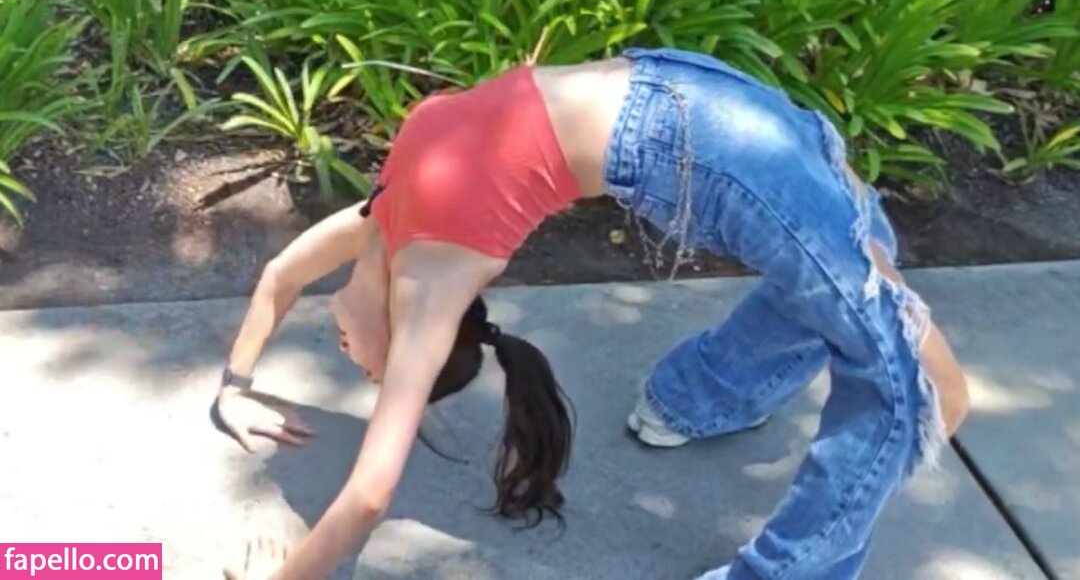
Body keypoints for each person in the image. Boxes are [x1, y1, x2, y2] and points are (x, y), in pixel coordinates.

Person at [214, 46, 970, 580]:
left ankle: (707, 419)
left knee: (896, 351)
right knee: (900, 348)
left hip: (704, 115)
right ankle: (702, 408)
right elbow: (365, 482)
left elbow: (283, 283)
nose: (351, 357)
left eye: (362, 368)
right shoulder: (411, 254)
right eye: (369, 372)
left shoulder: (392, 232)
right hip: (702, 121)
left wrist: (238, 398)